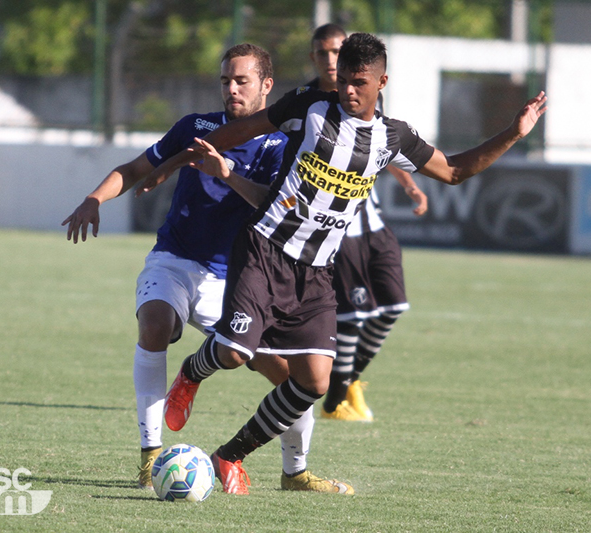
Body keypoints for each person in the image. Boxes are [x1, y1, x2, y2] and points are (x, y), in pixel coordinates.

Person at [145, 32, 547, 495]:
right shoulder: (310, 106)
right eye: (343, 82)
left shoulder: (394, 137)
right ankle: (192, 373)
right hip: (265, 249)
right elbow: (241, 130)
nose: (349, 91)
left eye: (359, 82)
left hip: (316, 272)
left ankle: (229, 455)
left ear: (382, 82)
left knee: (314, 382)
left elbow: (454, 171)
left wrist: (514, 133)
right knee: (236, 354)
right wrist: (179, 160)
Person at [61, 43, 350, 494]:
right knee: (154, 323)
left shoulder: (283, 143)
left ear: (266, 86)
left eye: (242, 81)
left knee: (292, 378)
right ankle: (150, 455)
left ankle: (295, 472)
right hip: (175, 261)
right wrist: (94, 198)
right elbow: (135, 167)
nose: (231, 89)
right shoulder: (196, 127)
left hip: (237, 280)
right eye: (225, 81)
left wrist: (226, 173)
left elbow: (271, 203)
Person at [307, 23, 429, 422]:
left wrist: (410, 186)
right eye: (323, 53)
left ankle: (347, 381)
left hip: (374, 224)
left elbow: (385, 146)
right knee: (354, 318)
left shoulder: (363, 95)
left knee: (393, 307)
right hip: (341, 231)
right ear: (316, 58)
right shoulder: (311, 105)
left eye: (336, 51)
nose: (330, 60)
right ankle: (336, 398)